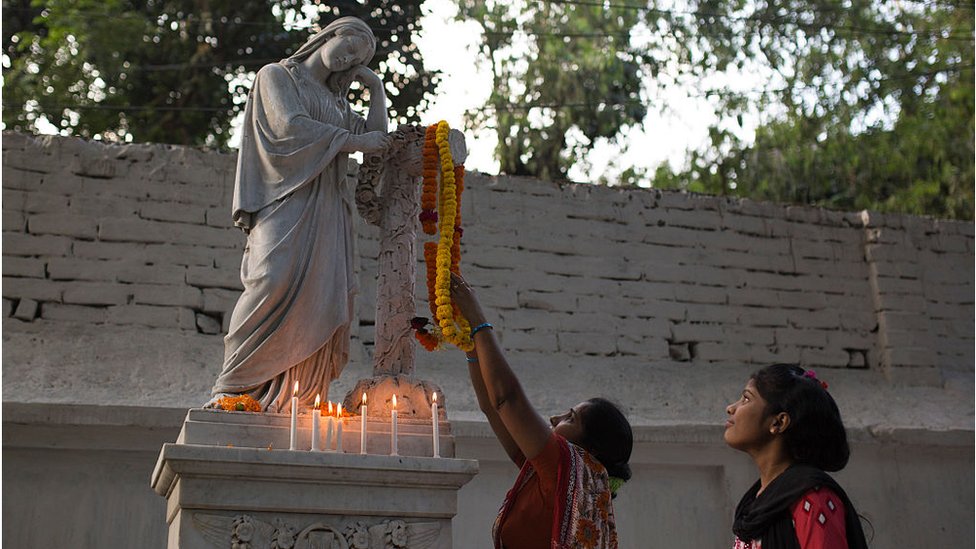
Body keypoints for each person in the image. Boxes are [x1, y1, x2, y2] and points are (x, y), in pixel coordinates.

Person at [209, 16, 391, 412]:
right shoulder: (276, 76)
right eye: (348, 46)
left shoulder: (336, 102)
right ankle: (234, 384)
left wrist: (375, 88)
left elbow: (378, 139)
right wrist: (352, 140)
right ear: (327, 36)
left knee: (324, 296)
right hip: (284, 199)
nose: (348, 59)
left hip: (328, 209)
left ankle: (301, 396)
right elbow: (289, 128)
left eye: (358, 59)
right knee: (270, 279)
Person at [449, 273, 633, 549]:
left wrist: (478, 320)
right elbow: (493, 406)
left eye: (571, 418)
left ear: (590, 450)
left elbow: (506, 400)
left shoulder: (564, 465)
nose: (555, 419)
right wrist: (470, 343)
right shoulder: (551, 475)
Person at [725, 363, 869, 549]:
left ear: (778, 422)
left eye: (746, 399)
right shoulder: (757, 501)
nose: (730, 408)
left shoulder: (813, 499)